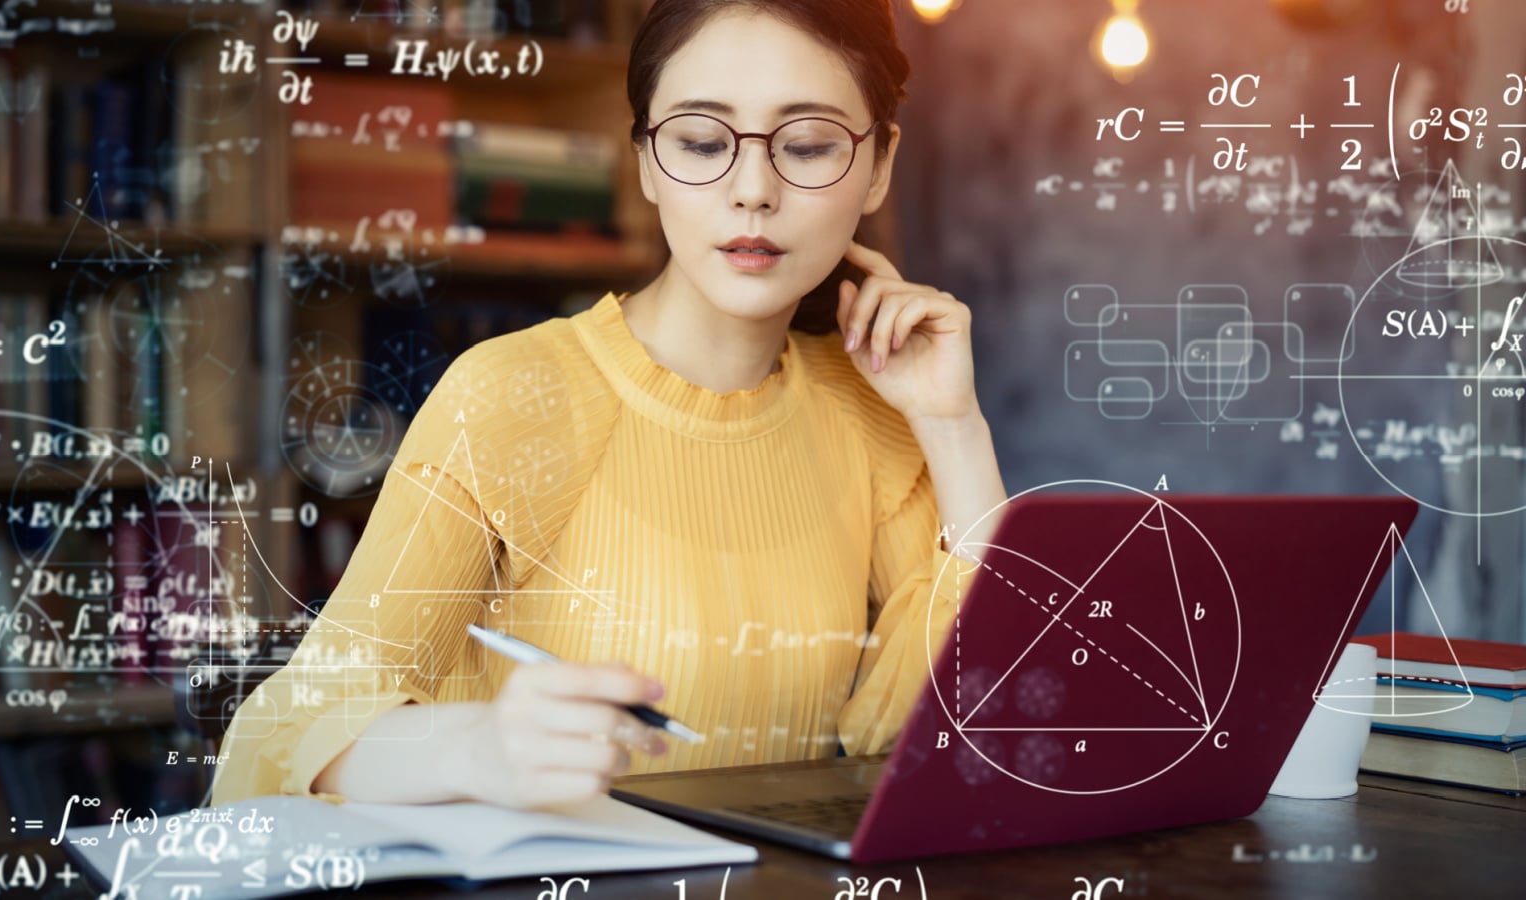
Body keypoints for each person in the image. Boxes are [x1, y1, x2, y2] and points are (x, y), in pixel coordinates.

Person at [212, 0, 1006, 810]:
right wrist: (476, 749)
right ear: (647, 161)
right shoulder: (510, 395)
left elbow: (971, 729)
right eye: (701, 142)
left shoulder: (870, 413)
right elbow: (277, 738)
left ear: (878, 166)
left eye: (807, 146)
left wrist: (953, 427)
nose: (754, 192)